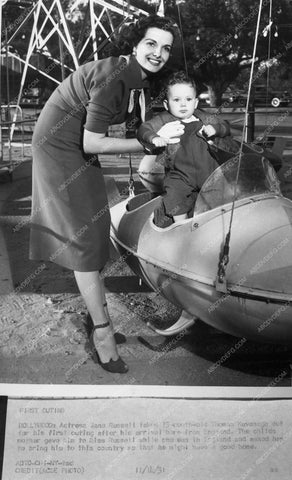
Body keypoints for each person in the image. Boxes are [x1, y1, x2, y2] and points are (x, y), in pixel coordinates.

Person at [29, 15, 181, 374]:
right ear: (134, 45)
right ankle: (102, 332)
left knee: (96, 234)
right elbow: (92, 140)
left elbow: (138, 124)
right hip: (59, 149)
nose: (158, 53)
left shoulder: (135, 78)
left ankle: (96, 316)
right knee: (84, 242)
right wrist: (151, 146)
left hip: (76, 149)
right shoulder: (115, 78)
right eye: (151, 44)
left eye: (165, 48)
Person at [138, 71, 234, 227]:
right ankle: (182, 228)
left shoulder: (203, 117)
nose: (183, 104)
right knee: (175, 195)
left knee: (222, 196)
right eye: (176, 100)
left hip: (209, 172)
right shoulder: (164, 119)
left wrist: (216, 129)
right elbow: (143, 129)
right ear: (166, 104)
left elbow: (226, 127)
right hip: (180, 174)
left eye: (188, 99)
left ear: (195, 103)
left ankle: (215, 226)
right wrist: (154, 138)